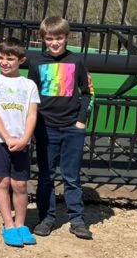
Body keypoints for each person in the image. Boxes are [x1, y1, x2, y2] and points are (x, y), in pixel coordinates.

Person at [29, 16, 94, 240]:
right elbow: (31, 97)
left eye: (58, 38)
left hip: (71, 127)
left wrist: (81, 120)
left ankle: (77, 220)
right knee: (46, 175)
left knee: (71, 176)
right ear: (43, 40)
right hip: (45, 127)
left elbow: (88, 92)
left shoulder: (77, 61)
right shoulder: (36, 63)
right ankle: (46, 218)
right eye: (49, 39)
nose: (54, 43)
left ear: (66, 38)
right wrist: (34, 127)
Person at [0, 38, 40, 247]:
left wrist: (24, 139)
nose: (4, 62)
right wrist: (7, 137)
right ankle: (8, 224)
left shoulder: (29, 85)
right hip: (0, 140)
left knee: (20, 184)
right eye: (1, 58)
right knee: (3, 182)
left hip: (21, 141)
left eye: (10, 59)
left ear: (21, 60)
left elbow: (32, 115)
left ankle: (20, 224)